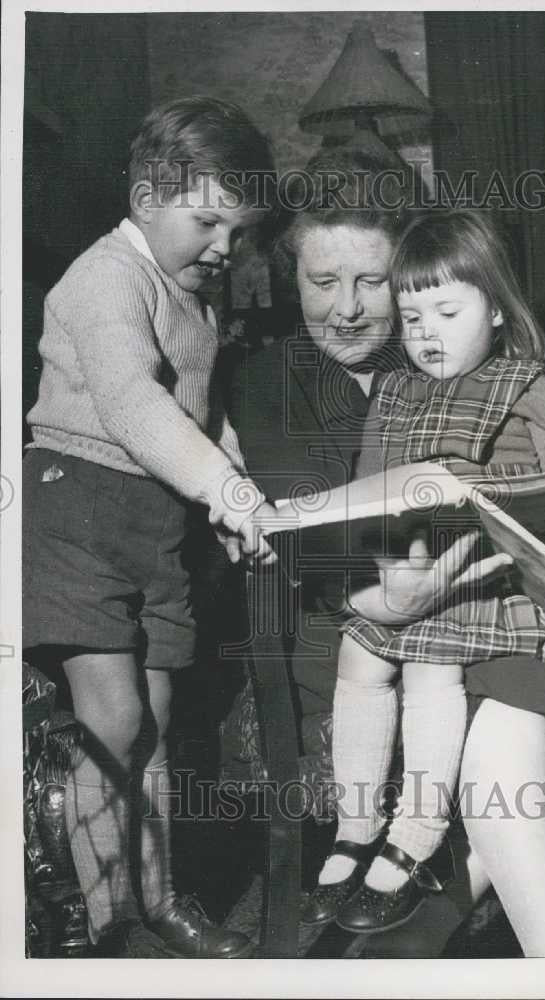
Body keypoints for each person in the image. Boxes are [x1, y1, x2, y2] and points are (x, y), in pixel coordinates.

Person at [231, 151, 545, 956]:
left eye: (372, 282)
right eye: (320, 281)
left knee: (541, 694)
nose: (347, 310)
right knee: (532, 720)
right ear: (288, 276)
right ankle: (470, 920)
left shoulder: (431, 338)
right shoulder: (269, 384)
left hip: (498, 627)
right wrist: (379, 603)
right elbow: (311, 530)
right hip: (367, 653)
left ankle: (426, 927)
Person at [22, 96, 277, 958]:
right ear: (143, 199)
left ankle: (159, 898)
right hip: (76, 506)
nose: (224, 249)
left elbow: (197, 416)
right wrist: (222, 487)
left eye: (239, 232)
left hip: (155, 521)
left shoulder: (191, 293)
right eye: (208, 222)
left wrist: (229, 480)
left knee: (163, 723)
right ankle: (99, 919)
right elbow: (132, 404)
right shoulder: (105, 277)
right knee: (116, 720)